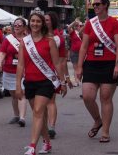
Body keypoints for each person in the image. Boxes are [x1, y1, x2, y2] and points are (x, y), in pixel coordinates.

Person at [16, 9, 67, 155]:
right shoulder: (24, 43)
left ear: (42, 23)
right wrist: (18, 85)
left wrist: (62, 82)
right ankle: (47, 143)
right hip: (30, 82)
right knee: (39, 115)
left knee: (38, 111)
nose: (35, 24)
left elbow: (57, 63)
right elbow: (20, 65)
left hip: (46, 82)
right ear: (29, 23)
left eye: (38, 21)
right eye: (33, 21)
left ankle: (32, 146)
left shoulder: (49, 41)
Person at [76, 0, 118, 143]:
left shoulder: (114, 23)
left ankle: (105, 132)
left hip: (109, 64)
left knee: (105, 98)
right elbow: (83, 46)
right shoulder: (90, 23)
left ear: (105, 6)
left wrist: (117, 64)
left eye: (98, 4)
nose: (95, 7)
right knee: (88, 96)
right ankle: (97, 120)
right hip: (91, 63)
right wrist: (78, 67)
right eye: (94, 5)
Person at [44, 11, 73, 139]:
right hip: (36, 73)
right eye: (43, 20)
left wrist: (64, 80)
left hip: (51, 73)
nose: (44, 22)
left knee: (50, 101)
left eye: (47, 20)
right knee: (39, 103)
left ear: (52, 22)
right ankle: (42, 125)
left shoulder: (58, 38)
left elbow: (62, 61)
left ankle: (51, 127)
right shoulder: (36, 35)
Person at [0, 17, 27, 127]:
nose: (17, 26)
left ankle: (22, 117)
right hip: (9, 70)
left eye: (20, 24)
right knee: (14, 95)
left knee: (21, 94)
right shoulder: (8, 39)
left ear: (24, 27)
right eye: (15, 24)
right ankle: (16, 115)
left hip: (23, 71)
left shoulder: (28, 39)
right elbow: (2, 52)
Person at [67, 18, 84, 87]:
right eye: (76, 26)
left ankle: (79, 78)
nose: (77, 27)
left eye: (78, 26)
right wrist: (74, 22)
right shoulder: (73, 33)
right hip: (74, 52)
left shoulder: (82, 32)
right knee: (75, 67)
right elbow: (68, 27)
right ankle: (76, 81)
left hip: (82, 53)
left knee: (81, 67)